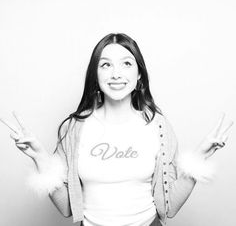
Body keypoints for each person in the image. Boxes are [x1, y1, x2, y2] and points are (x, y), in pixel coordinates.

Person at [0, 33, 233, 226]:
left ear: (139, 74)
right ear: (95, 74)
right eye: (106, 65)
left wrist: (201, 157)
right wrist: (39, 157)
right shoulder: (75, 127)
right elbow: (66, 208)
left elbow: (167, 207)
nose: (116, 74)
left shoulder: (158, 126)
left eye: (126, 63)